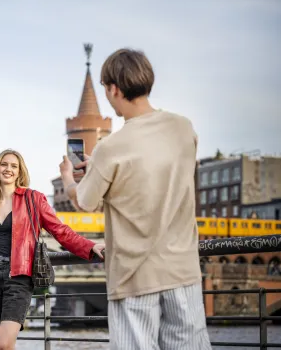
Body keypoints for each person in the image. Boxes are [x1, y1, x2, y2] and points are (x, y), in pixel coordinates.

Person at [59, 48, 212, 349]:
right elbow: (154, 176)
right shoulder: (184, 128)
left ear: (114, 89)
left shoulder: (110, 149)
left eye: (106, 89)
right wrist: (104, 170)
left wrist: (69, 180)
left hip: (134, 277)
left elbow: (85, 201)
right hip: (183, 271)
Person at [0, 149, 105, 350]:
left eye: (13, 166)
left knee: (5, 343)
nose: (8, 169)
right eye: (4, 164)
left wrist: (90, 246)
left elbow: (59, 230)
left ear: (20, 172)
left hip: (18, 274)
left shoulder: (33, 199)